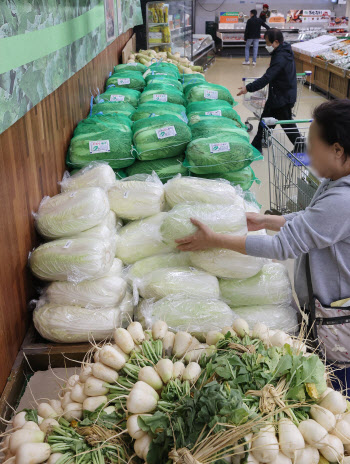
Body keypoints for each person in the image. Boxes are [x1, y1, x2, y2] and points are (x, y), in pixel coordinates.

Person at [176, 99, 350, 393]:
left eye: (313, 145)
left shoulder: (343, 200)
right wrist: (267, 220)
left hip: (339, 319)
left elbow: (282, 247)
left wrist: (215, 240)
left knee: (339, 389)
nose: (308, 152)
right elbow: (310, 221)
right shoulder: (336, 180)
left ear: (337, 149)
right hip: (326, 309)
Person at [238, 28, 300, 153]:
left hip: (282, 96)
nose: (266, 45)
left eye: (267, 42)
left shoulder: (281, 57)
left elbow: (267, 78)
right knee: (267, 121)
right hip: (281, 94)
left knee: (284, 123)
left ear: (276, 42)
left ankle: (301, 146)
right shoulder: (283, 51)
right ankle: (257, 145)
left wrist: (248, 88)